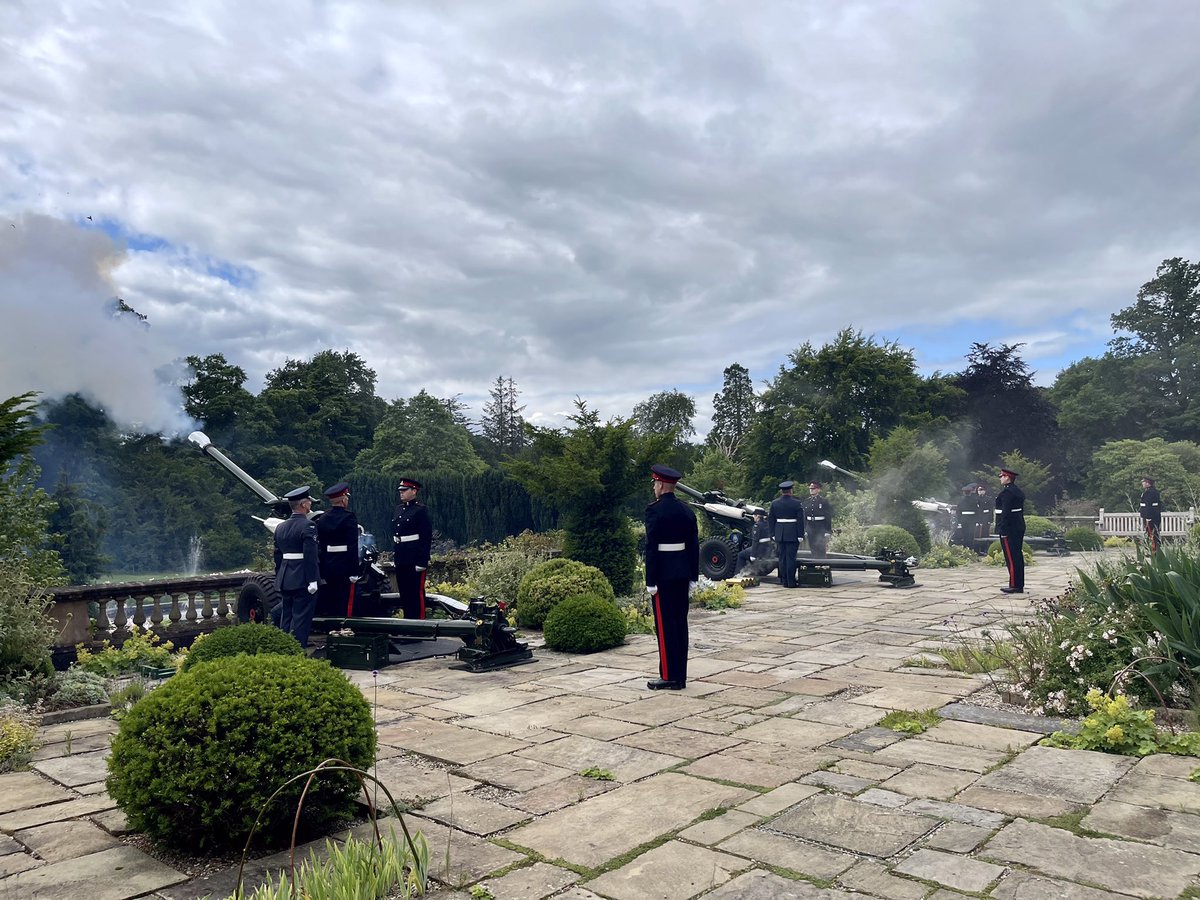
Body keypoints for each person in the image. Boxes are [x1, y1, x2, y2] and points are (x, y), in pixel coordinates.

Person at [644, 464, 699, 690]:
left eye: (656, 484)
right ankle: (681, 676)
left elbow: (652, 548)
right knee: (680, 624)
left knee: (665, 627)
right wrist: (693, 575)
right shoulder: (686, 510)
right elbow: (694, 546)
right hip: (682, 573)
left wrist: (650, 580)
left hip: (664, 576)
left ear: (662, 485)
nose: (654, 488)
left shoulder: (654, 511)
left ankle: (668, 676)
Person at [273, 486, 320, 647]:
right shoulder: (308, 526)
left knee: (285, 617)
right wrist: (313, 580)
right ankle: (298, 650)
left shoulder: (280, 527)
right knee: (301, 618)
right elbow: (310, 556)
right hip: (302, 578)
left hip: (286, 577)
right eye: (308, 502)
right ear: (304, 505)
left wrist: (279, 575)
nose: (309, 505)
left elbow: (277, 555)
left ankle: (283, 648)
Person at [316, 482, 359, 617]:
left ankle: (333, 628)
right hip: (345, 565)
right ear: (343, 499)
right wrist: (354, 570)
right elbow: (352, 546)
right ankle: (344, 627)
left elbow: (321, 545)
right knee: (345, 600)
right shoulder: (349, 517)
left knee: (332, 599)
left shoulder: (323, 519)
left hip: (329, 565)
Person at [392, 477, 432, 619]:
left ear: (414, 491)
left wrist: (422, 561)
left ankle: (419, 625)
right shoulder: (399, 509)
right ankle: (409, 625)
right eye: (400, 491)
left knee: (416, 594)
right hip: (401, 557)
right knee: (405, 594)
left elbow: (426, 537)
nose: (401, 493)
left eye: (404, 490)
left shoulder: (420, 510)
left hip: (414, 558)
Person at [768, 480, 805, 587]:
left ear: (782, 491)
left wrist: (773, 534)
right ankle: (791, 582)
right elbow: (800, 521)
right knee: (791, 558)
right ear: (791, 491)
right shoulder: (797, 503)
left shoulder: (775, 503)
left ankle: (784, 581)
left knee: (782, 558)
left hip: (780, 533)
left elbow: (771, 520)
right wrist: (800, 535)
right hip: (792, 533)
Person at [994, 468, 1026, 594]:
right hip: (1018, 525)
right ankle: (1018, 584)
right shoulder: (1017, 491)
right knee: (1017, 556)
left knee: (1011, 558)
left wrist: (1002, 528)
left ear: (1007, 477)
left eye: (1002, 476)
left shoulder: (1007, 493)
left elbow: (1005, 512)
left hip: (1009, 528)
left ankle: (1014, 585)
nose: (1000, 478)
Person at [802, 480, 834, 558]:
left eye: (814, 488)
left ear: (818, 489)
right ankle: (814, 564)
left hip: (820, 527)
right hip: (810, 526)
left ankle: (822, 564)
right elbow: (804, 516)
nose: (811, 490)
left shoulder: (823, 501)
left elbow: (828, 516)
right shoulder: (806, 501)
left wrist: (828, 530)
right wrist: (805, 529)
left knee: (821, 547)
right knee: (812, 547)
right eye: (810, 488)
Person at [952, 483, 980, 549]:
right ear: (970, 492)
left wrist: (959, 521)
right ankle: (971, 548)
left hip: (963, 520)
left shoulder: (960, 501)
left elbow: (958, 512)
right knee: (971, 535)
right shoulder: (974, 500)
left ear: (964, 493)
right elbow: (977, 511)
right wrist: (977, 521)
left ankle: (965, 548)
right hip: (972, 520)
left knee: (965, 535)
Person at [1139, 476, 1162, 552]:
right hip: (1148, 515)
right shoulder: (1148, 492)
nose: (1142, 483)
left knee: (1153, 533)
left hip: (1151, 516)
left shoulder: (1151, 492)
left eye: (1144, 482)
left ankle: (1155, 550)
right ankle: (1152, 549)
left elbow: (1150, 505)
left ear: (1148, 483)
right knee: (1149, 533)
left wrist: (1149, 516)